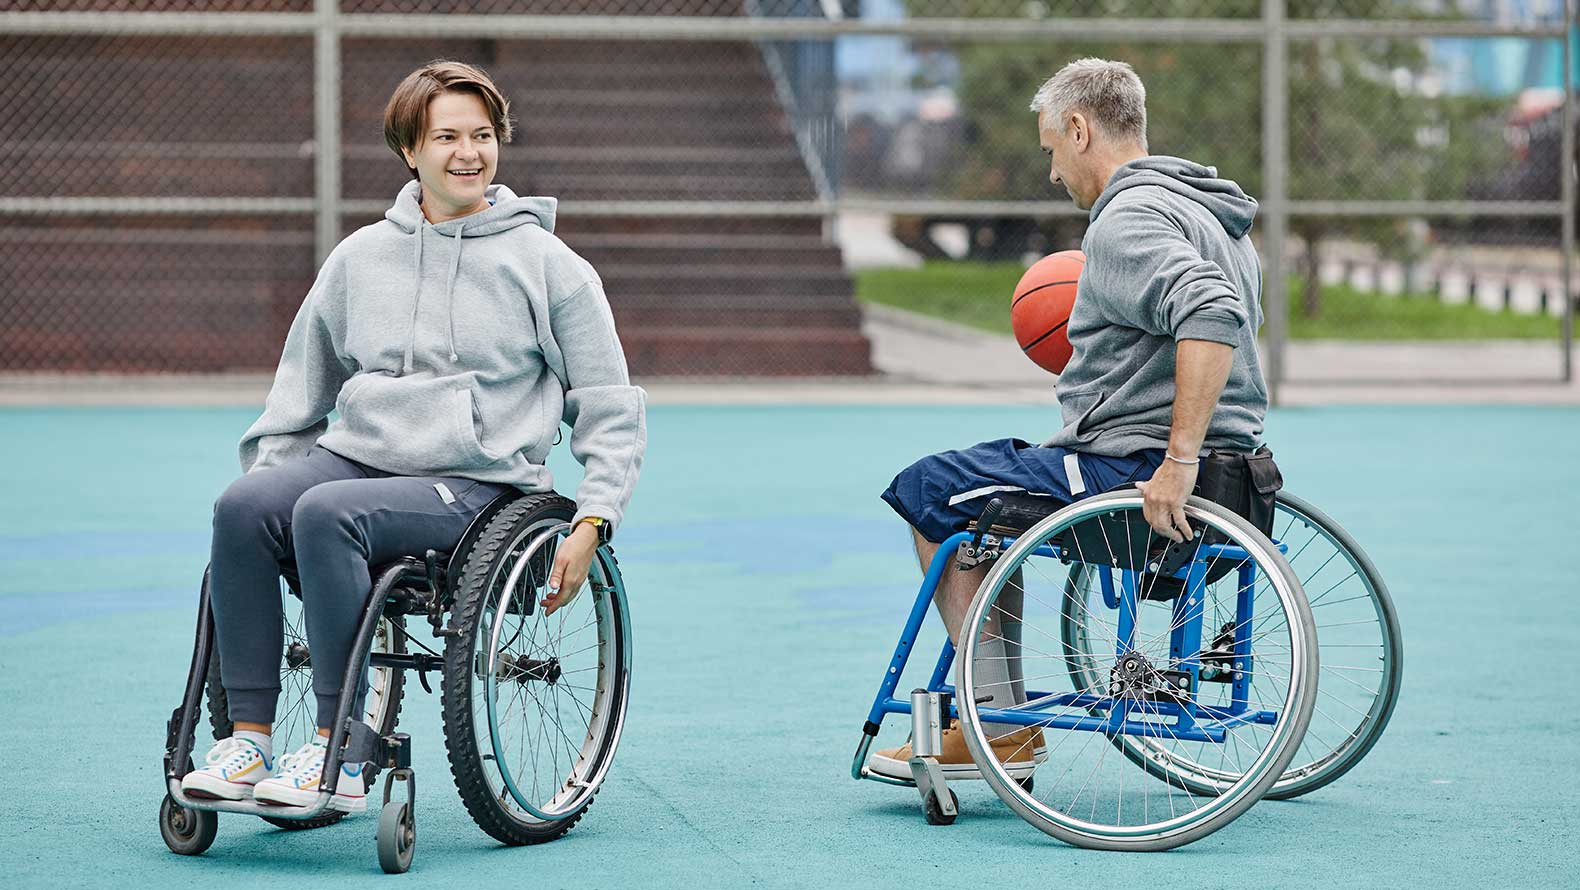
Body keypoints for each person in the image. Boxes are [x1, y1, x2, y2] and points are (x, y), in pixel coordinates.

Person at [179, 60, 647, 813]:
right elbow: (300, 388)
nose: (470, 153)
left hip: (476, 482)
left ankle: (343, 750)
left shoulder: (548, 265)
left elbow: (609, 402)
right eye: (448, 137)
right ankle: (249, 739)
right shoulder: (361, 257)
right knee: (244, 506)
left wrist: (594, 517)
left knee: (327, 514)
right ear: (410, 151)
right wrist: (269, 482)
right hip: (357, 456)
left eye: (484, 136)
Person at [868, 57, 1269, 781]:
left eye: (1053, 149)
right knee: (985, 480)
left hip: (1138, 470)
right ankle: (997, 708)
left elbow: (1210, 309)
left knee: (929, 490)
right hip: (1239, 473)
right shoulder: (1216, 217)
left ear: (1081, 130)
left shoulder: (1126, 221)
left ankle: (997, 721)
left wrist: (1177, 461)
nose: (1054, 172)